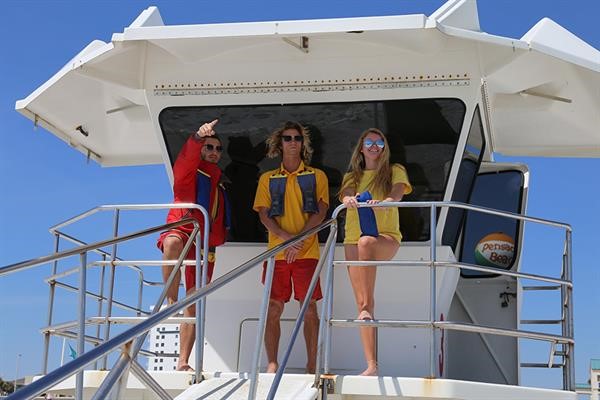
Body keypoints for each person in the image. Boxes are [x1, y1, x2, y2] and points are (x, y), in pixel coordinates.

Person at [253, 121, 329, 374]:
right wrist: (288, 240)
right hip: (277, 254)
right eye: (287, 138)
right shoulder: (267, 179)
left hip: (307, 252)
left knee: (309, 308)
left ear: (303, 143)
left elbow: (321, 211)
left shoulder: (318, 176)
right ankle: (272, 364)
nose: (293, 142)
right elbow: (264, 215)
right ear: (280, 143)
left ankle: (311, 365)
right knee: (274, 307)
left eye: (297, 138)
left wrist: (300, 241)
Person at [157, 119, 230, 371]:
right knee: (172, 242)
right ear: (200, 149)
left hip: (205, 243)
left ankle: (183, 361)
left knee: (194, 302)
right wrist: (197, 136)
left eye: (218, 149)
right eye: (209, 147)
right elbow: (187, 158)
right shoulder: (189, 171)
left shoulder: (219, 182)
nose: (214, 152)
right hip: (183, 228)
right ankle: (170, 301)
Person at [339, 128, 412, 376]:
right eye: (369, 142)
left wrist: (387, 202)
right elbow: (346, 193)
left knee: (367, 242)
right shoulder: (352, 176)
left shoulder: (394, 170)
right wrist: (350, 199)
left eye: (379, 141)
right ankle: (371, 365)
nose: (374, 145)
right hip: (351, 237)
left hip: (385, 237)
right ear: (361, 147)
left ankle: (368, 311)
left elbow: (398, 191)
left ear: (384, 147)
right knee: (361, 303)